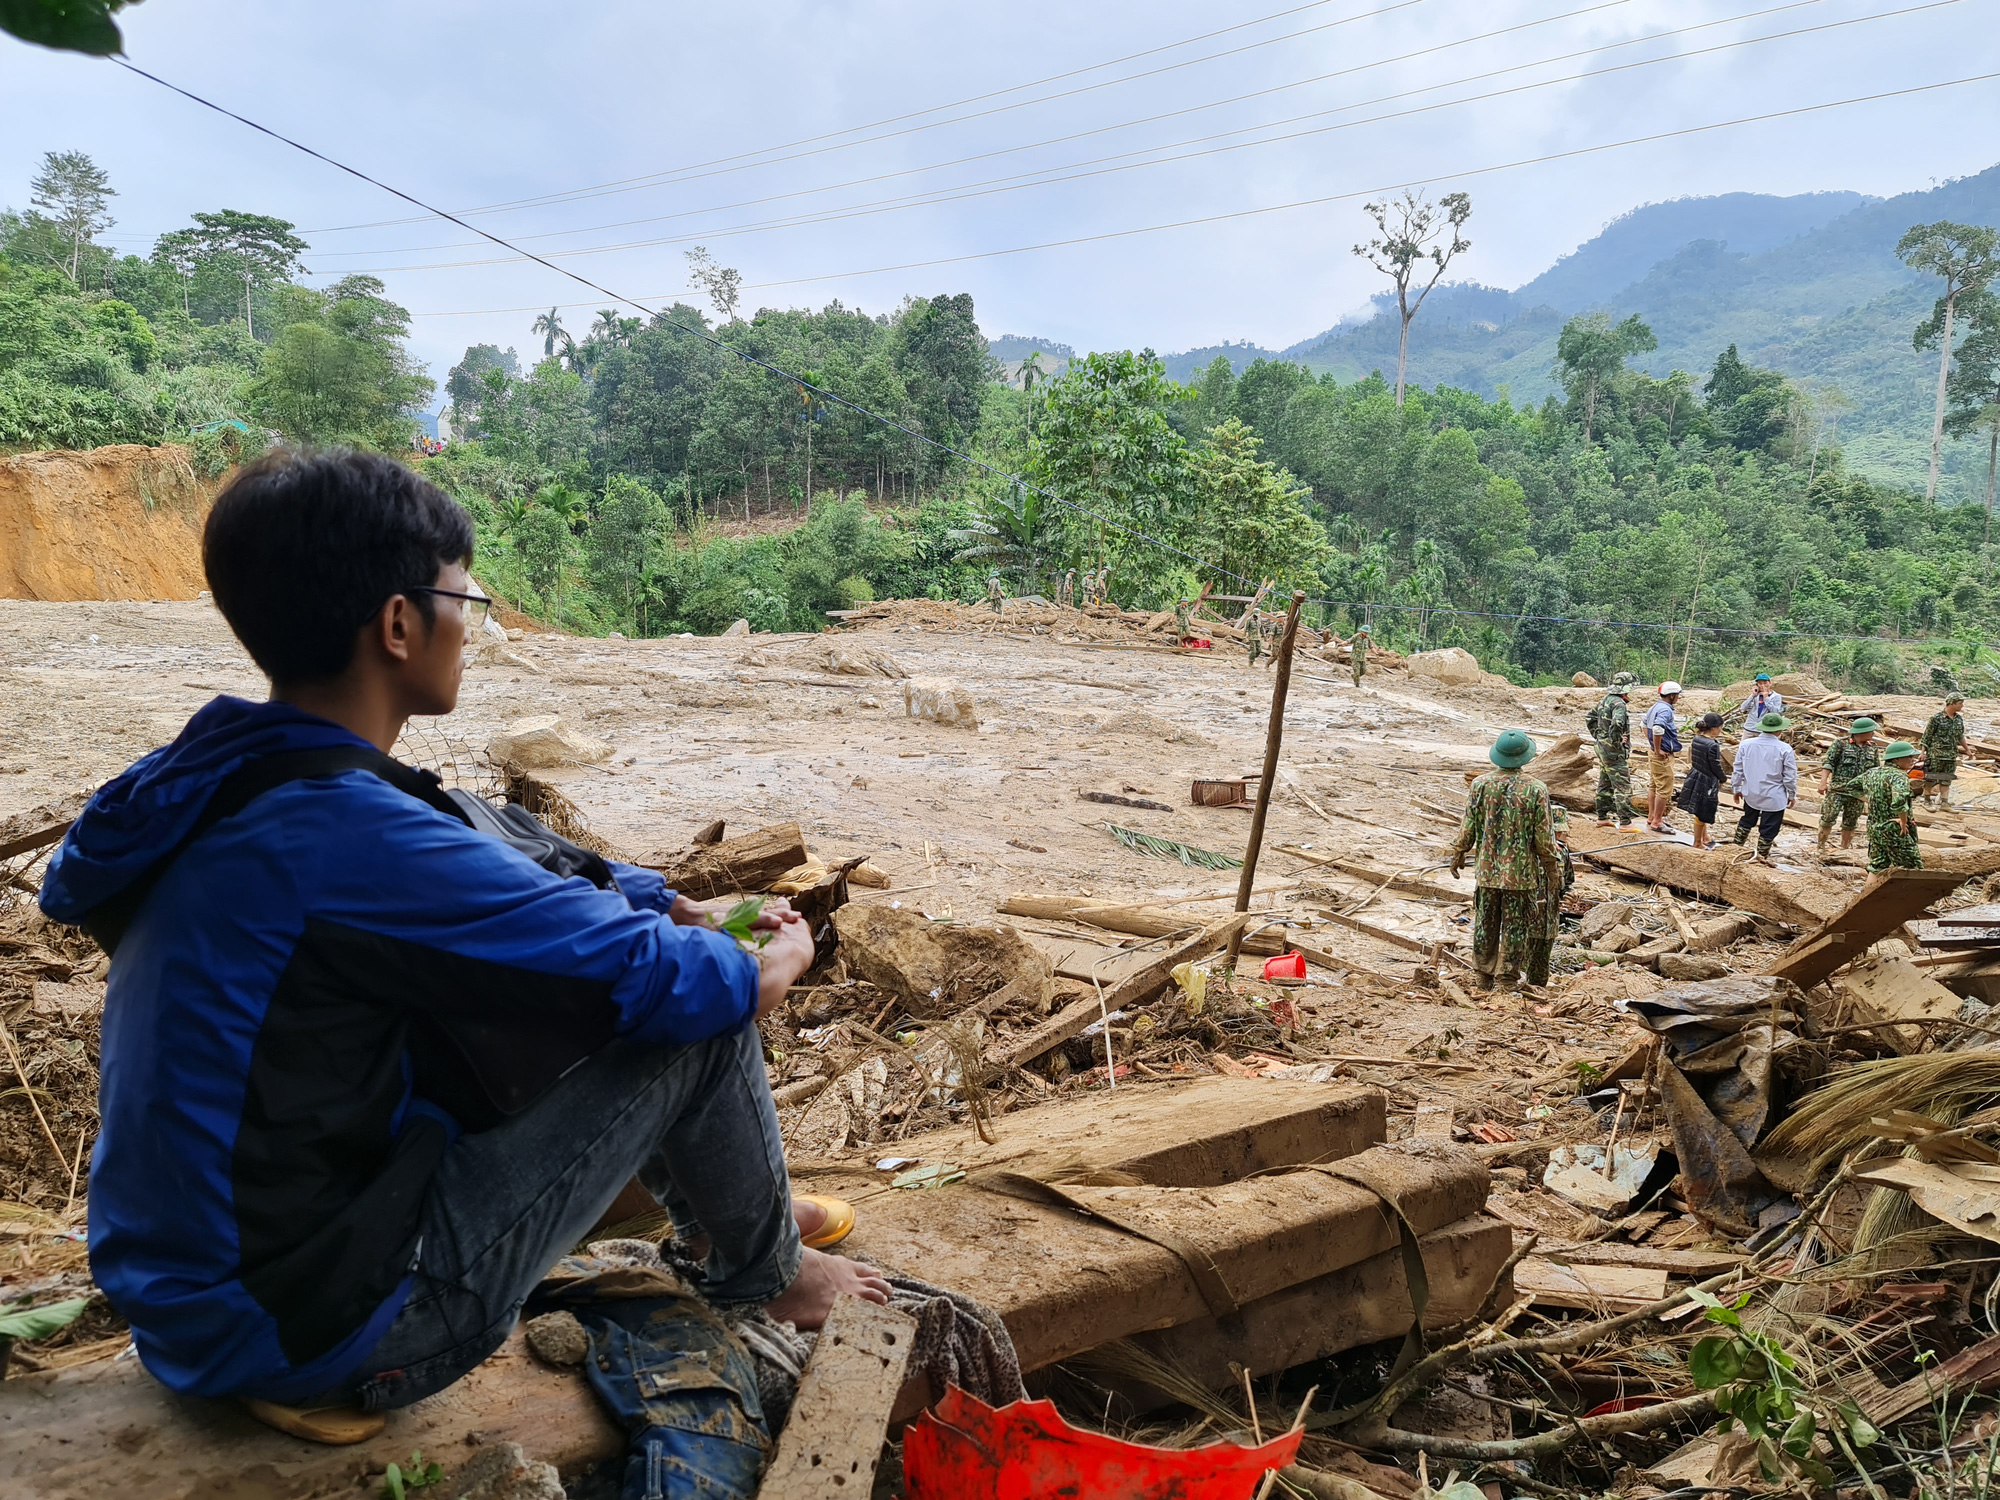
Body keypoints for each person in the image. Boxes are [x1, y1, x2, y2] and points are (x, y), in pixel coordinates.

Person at [39, 451, 890, 1419]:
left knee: (578, 969)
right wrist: (765, 961)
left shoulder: (225, 779)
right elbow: (669, 983)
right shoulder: (349, 835)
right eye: (462, 600)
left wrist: (651, 895)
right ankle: (761, 1268)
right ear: (399, 624)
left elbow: (477, 828)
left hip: (183, 1307)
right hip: (315, 1331)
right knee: (691, 1014)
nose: (469, 628)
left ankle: (712, 1209)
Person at [1446, 729, 1563, 998]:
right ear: (1525, 757)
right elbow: (1543, 836)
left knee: (1485, 923)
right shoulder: (1535, 789)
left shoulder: (1480, 785)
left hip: (1487, 872)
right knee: (1515, 927)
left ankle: (1482, 977)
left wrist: (1459, 852)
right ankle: (1507, 980)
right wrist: (1551, 868)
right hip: (1520, 876)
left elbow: (1469, 825)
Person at [1728, 711, 1797, 860]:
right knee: (1769, 828)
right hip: (1774, 796)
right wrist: (1792, 794)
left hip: (1751, 792)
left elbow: (1738, 769)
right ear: (1779, 730)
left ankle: (1735, 849)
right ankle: (1761, 857)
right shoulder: (1784, 749)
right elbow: (1789, 776)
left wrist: (1736, 788)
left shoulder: (1746, 745)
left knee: (1747, 820)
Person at [1817, 717, 1882, 854]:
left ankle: (1844, 849)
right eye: (1871, 731)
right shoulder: (1840, 744)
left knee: (1851, 822)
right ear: (1861, 732)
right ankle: (1821, 847)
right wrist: (1823, 782)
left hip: (1858, 793)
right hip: (1838, 790)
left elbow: (1876, 771)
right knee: (1828, 818)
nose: (1873, 734)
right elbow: (1829, 763)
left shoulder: (1873, 748)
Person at [1856, 741, 1924, 871]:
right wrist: (1904, 821)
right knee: (1912, 867)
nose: (1913, 759)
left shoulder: (1872, 773)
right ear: (1897, 759)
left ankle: (1870, 891)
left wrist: (1870, 799)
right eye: (1909, 757)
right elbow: (1898, 801)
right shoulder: (1899, 776)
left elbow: (1851, 787)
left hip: (1874, 827)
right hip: (1895, 829)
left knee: (1877, 866)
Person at [1674, 712, 1726, 849]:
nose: (1721, 730)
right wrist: (1723, 778)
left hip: (1696, 775)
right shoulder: (1712, 745)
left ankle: (1705, 837)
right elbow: (1715, 765)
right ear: (1714, 728)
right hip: (1707, 780)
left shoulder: (1697, 738)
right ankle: (1697, 842)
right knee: (1703, 811)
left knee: (1699, 809)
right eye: (1720, 727)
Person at [1587, 681, 1634, 828]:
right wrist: (1616, 740)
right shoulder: (1619, 704)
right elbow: (1617, 723)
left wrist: (1599, 736)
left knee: (1605, 782)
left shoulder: (1605, 700)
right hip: (1613, 752)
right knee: (1622, 786)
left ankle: (1602, 817)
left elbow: (1590, 718)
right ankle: (1625, 822)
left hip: (1601, 748)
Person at [1643, 681, 1683, 831]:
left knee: (1654, 785)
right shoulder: (1666, 711)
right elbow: (1658, 729)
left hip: (1654, 753)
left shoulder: (1655, 707)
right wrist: (1658, 749)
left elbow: (1643, 725)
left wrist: (1652, 745)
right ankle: (1657, 821)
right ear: (1672, 695)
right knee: (1665, 789)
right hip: (1662, 755)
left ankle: (1652, 816)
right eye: (1677, 695)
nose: (1678, 698)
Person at [1921, 693, 1967, 810]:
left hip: (1950, 755)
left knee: (1947, 778)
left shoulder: (1958, 719)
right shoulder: (1936, 718)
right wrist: (1922, 753)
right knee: (1931, 777)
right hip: (1936, 754)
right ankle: (1927, 800)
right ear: (1952, 703)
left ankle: (1944, 803)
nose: (1962, 706)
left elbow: (1960, 736)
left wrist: (1968, 750)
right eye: (1960, 703)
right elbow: (1927, 736)